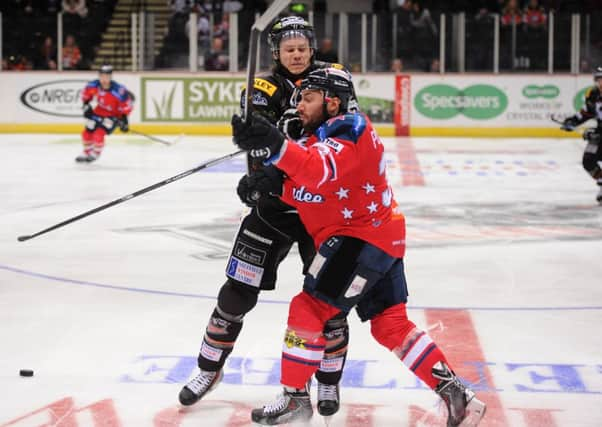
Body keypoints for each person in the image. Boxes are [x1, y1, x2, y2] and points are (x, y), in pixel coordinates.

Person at [231, 67, 487, 426]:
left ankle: (294, 399)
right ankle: (458, 396)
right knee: (390, 325)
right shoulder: (323, 134)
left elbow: (317, 171)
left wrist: (274, 147)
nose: (299, 105)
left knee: (308, 310)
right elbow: (313, 186)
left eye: (308, 98)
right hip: (382, 238)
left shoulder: (350, 129)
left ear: (332, 101)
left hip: (358, 241)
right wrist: (267, 181)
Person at [178, 16, 356, 417]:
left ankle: (327, 382)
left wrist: (283, 153)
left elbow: (345, 135)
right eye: (288, 48)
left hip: (321, 212)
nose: (296, 53)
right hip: (275, 210)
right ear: (276, 52)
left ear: (312, 48)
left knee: (330, 302)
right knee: (235, 294)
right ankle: (209, 369)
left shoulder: (335, 79)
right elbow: (259, 141)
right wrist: (260, 178)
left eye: (302, 47)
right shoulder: (260, 87)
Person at [561, 66, 602, 204]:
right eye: (599, 80)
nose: (601, 83)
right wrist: (572, 121)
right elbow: (586, 112)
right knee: (588, 161)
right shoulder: (594, 94)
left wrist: (592, 133)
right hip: (600, 133)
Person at [76, 65, 133, 162]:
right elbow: (86, 95)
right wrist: (86, 105)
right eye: (102, 76)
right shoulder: (94, 85)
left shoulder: (118, 90)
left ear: (110, 77)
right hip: (98, 112)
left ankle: (96, 153)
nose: (104, 79)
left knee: (99, 134)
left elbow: (127, 104)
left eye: (106, 76)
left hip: (113, 116)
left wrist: (124, 119)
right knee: (86, 133)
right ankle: (87, 152)